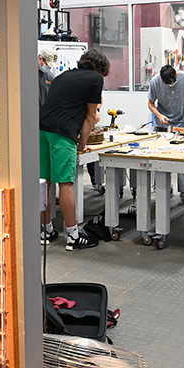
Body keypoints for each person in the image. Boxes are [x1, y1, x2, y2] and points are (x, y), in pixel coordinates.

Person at [40, 49, 111, 251]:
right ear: (100, 70)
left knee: (44, 183)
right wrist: (82, 144)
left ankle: (46, 231)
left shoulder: (63, 76)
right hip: (62, 133)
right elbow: (91, 116)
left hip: (41, 130)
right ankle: (73, 236)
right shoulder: (95, 80)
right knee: (66, 183)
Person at [147, 64, 184, 197]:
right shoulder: (155, 82)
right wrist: (159, 115)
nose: (171, 85)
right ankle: (163, 188)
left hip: (181, 122)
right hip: (161, 124)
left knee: (183, 156)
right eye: (168, 83)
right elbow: (151, 104)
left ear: (176, 74)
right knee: (160, 156)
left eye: (173, 82)